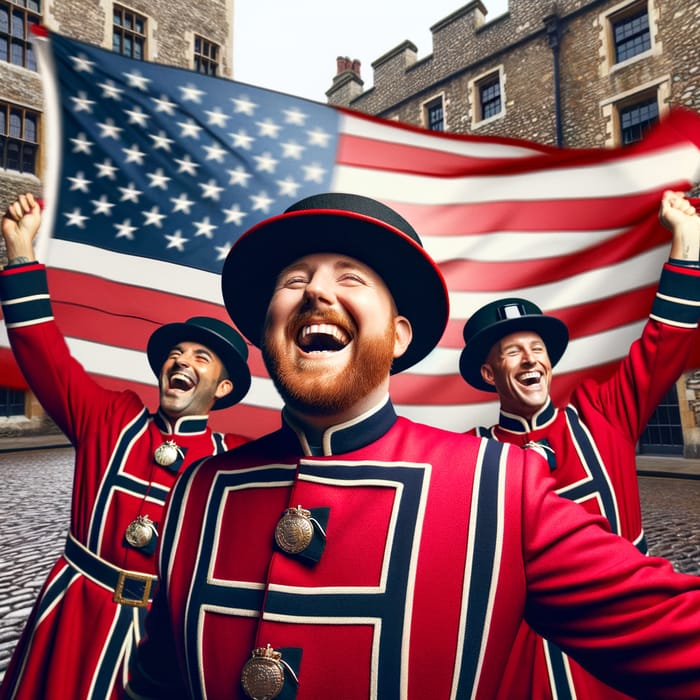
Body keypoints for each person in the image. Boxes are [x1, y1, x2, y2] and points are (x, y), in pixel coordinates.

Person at [126, 192, 700, 700]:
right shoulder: (198, 492)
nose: (316, 291)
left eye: (350, 278)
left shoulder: (497, 487)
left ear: (400, 335)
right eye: (293, 280)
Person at [0, 192, 252, 700]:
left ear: (222, 388)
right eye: (176, 353)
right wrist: (20, 254)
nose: (182, 361)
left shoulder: (234, 459)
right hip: (75, 618)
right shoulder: (111, 419)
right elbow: (44, 353)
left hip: (166, 640)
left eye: (201, 357)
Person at [457, 189, 700, 699]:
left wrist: (686, 243)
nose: (529, 360)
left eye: (537, 349)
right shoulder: (473, 458)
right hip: (529, 665)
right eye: (513, 353)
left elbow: (663, 344)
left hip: (631, 653)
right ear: (487, 373)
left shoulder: (602, 415)